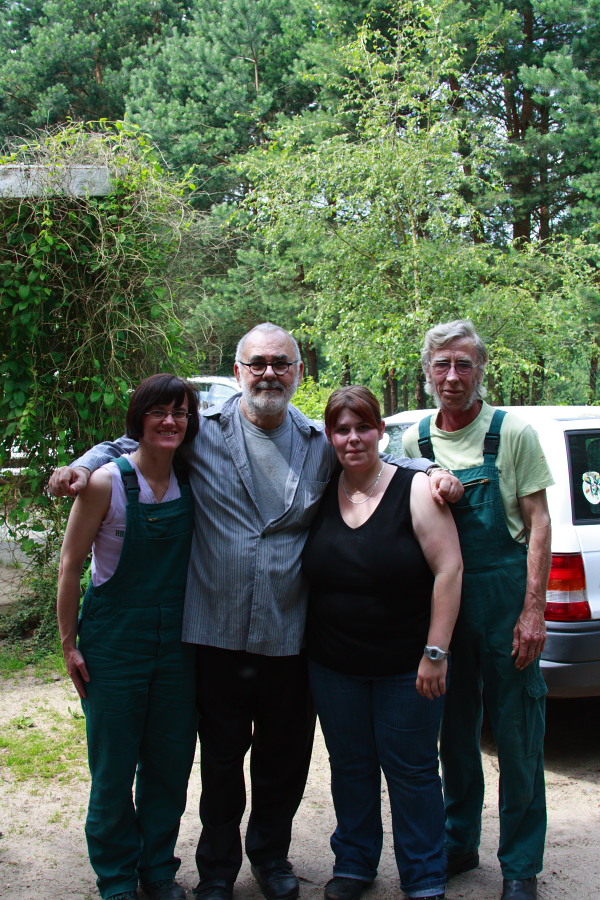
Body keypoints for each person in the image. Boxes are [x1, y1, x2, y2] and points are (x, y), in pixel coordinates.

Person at [49, 323, 463, 900]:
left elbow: (376, 458)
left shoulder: (319, 440)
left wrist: (435, 473)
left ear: (298, 372)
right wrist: (79, 464)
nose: (270, 372)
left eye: (282, 363)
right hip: (215, 632)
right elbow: (136, 443)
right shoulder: (201, 432)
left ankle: (271, 856)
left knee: (284, 761)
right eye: (258, 362)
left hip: (291, 635)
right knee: (219, 760)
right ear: (239, 370)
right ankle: (217, 868)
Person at [402, 321, 553, 900]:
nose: (453, 377)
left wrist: (532, 611)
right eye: (442, 365)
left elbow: (539, 522)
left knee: (517, 734)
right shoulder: (413, 441)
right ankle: (458, 842)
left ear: (481, 370)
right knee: (452, 731)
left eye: (464, 365)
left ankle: (521, 864)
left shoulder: (512, 432)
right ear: (427, 372)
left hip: (502, 595)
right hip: (445, 606)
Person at [303, 386, 463, 900]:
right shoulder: (321, 490)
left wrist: (435, 652)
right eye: (342, 430)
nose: (353, 439)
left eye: (363, 427)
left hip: (407, 667)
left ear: (380, 431)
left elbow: (449, 569)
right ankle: (354, 864)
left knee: (412, 770)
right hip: (333, 665)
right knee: (350, 768)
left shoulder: (414, 488)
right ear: (330, 437)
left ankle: (424, 876)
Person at [57, 374, 201, 900]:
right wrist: (70, 643)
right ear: (138, 419)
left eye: (180, 413)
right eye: (159, 411)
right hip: (114, 641)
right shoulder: (105, 482)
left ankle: (157, 869)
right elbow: (71, 566)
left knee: (169, 765)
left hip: (178, 645)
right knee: (115, 769)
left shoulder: (193, 476)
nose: (170, 421)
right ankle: (117, 878)